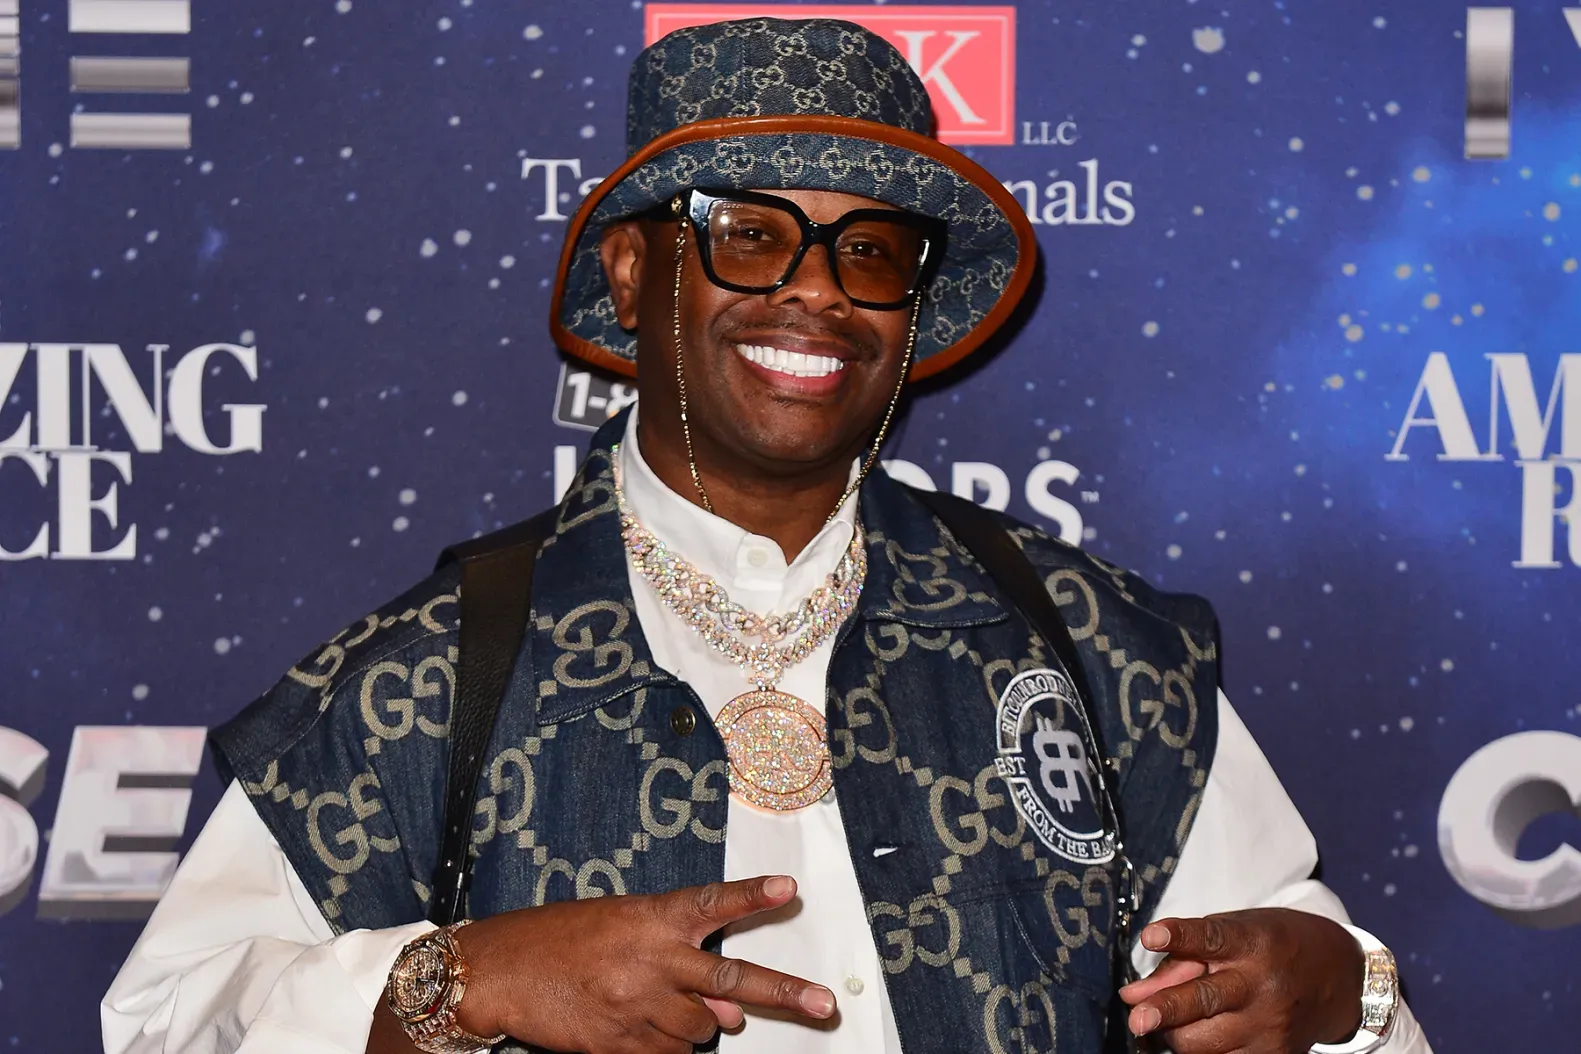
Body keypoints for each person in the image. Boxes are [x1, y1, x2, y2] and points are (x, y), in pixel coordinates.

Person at [102, 18, 1431, 1054]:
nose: (815, 295)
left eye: (869, 252)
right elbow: (162, 1019)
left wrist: (1344, 992)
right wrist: (468, 978)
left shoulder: (1088, 646)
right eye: (749, 234)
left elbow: (1317, 986)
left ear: (909, 306)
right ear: (633, 271)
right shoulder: (438, 674)